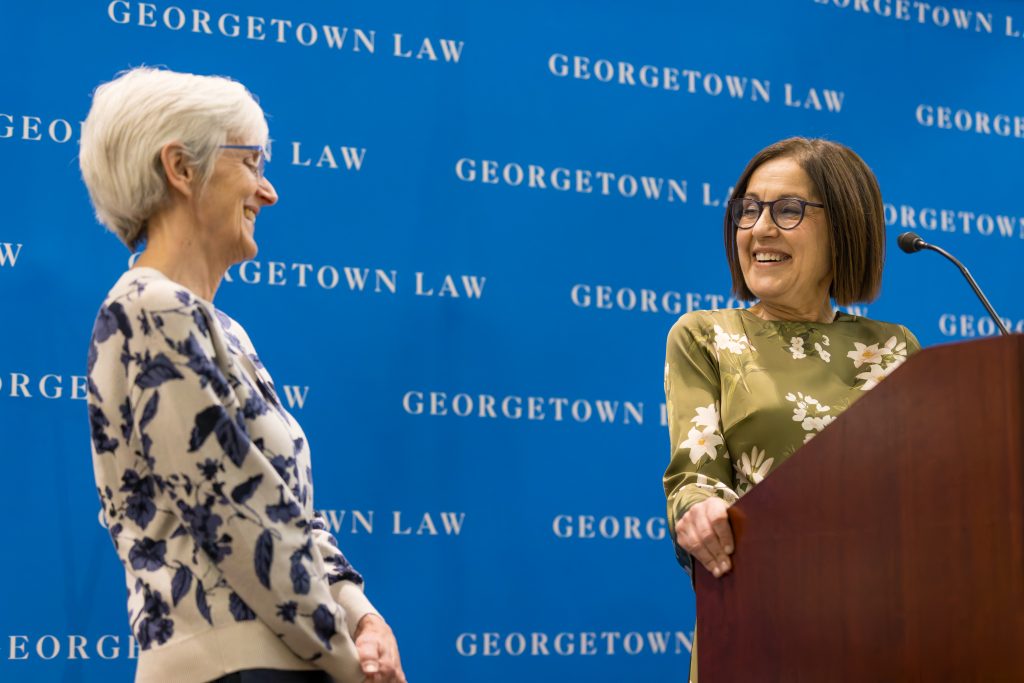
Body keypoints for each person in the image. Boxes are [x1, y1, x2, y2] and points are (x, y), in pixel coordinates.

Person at [81, 67, 407, 683]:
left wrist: (363, 616)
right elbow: (237, 519)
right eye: (252, 163)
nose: (269, 192)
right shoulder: (148, 308)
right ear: (181, 168)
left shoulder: (224, 331)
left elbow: (285, 516)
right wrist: (353, 664)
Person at [662, 137, 920, 682]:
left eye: (787, 210)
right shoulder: (706, 336)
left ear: (843, 226)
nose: (760, 229)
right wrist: (699, 513)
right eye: (748, 210)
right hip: (758, 620)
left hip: (878, 623)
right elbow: (694, 481)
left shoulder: (892, 348)